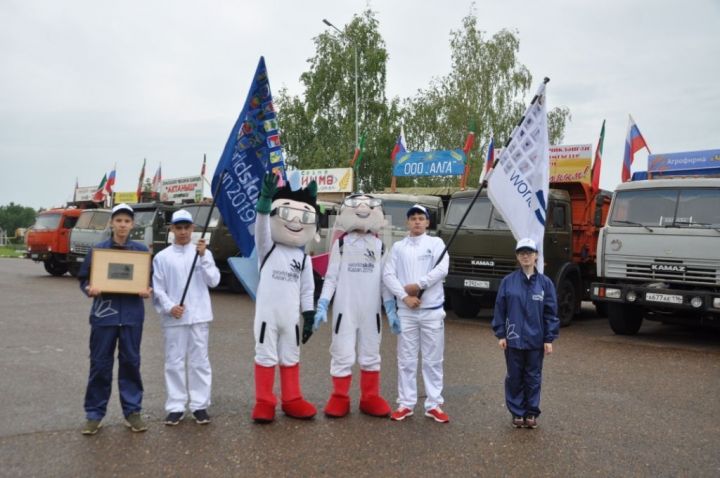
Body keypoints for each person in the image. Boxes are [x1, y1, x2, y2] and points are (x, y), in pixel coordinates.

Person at [314, 193, 393, 418]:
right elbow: (331, 278)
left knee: (371, 352)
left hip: (371, 312)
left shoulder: (379, 246)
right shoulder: (341, 244)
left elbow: (385, 281)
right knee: (342, 351)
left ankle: (370, 397)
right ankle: (340, 397)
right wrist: (322, 304)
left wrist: (391, 308)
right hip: (344, 309)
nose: (362, 209)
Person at [78, 203, 153, 435]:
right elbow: (84, 279)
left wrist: (147, 289)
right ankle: (94, 414)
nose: (122, 225)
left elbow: (148, 281)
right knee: (100, 365)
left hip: (131, 317)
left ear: (132, 225)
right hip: (104, 317)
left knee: (131, 364)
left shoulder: (140, 252)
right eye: (118, 220)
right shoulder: (98, 251)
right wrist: (89, 288)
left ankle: (132, 412)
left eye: (127, 221)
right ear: (112, 223)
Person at [251, 172, 318, 423]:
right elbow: (260, 228)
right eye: (289, 214)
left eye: (304, 217)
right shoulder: (267, 248)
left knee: (291, 356)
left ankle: (292, 399)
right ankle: (264, 401)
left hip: (291, 319)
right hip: (267, 317)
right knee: (265, 355)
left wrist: (309, 316)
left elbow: (307, 290)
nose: (296, 222)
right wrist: (265, 201)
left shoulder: (303, 258)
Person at [152, 209, 221, 426]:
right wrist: (170, 307)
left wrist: (203, 258)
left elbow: (214, 281)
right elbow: (158, 288)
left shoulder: (203, 253)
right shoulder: (162, 257)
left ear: (193, 229)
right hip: (174, 318)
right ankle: (175, 406)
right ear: (172, 229)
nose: (182, 232)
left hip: (199, 316)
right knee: (174, 361)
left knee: (200, 361)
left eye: (186, 228)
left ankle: (200, 405)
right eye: (178, 228)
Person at [383, 204, 449, 423]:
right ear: (407, 223)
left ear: (428, 222)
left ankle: (434, 404)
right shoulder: (398, 248)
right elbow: (388, 275)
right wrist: (405, 297)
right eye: (413, 218)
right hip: (407, 312)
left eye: (421, 218)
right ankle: (406, 403)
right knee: (406, 359)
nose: (417, 221)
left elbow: (442, 270)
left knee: (433, 360)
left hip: (431, 312)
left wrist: (419, 284)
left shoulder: (436, 243)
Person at [491, 237, 559, 429]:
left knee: (533, 376)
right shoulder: (508, 282)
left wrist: (549, 338)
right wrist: (501, 334)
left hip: (536, 340)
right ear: (517, 257)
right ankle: (517, 412)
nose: (526, 256)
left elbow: (551, 312)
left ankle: (531, 412)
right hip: (513, 339)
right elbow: (500, 309)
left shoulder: (545, 284)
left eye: (529, 252)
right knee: (514, 376)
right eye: (522, 253)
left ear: (536, 256)